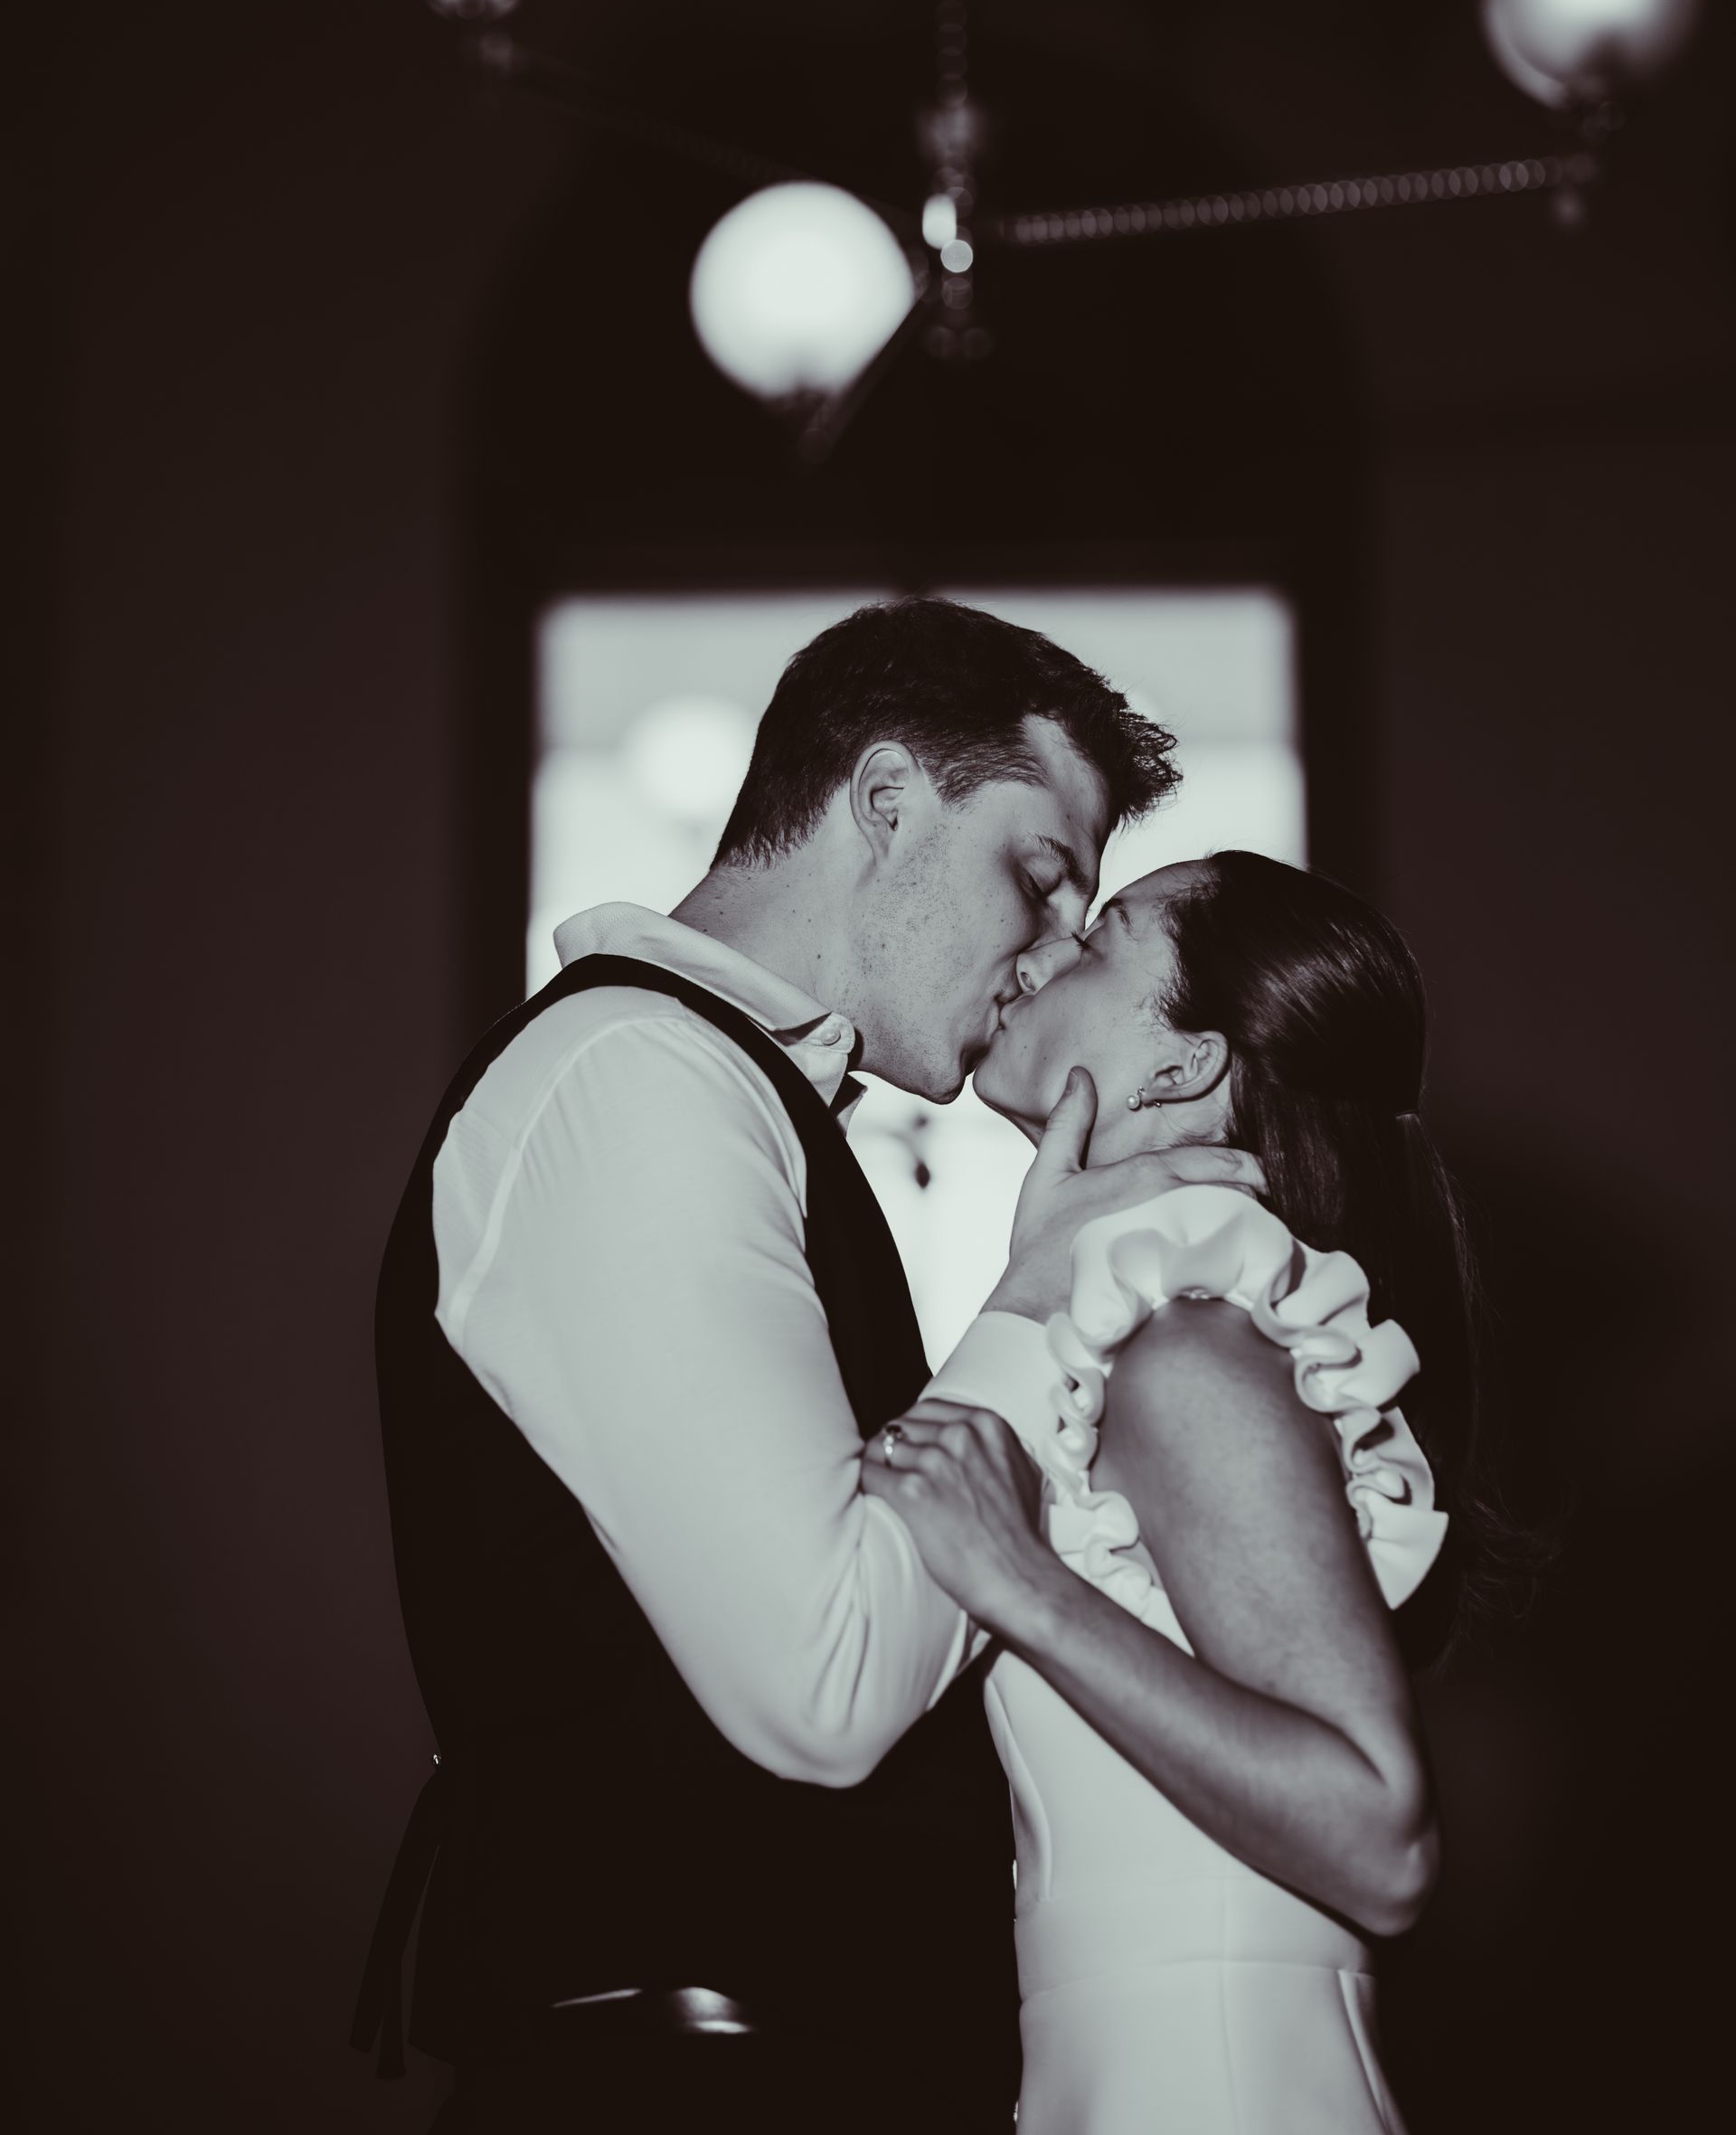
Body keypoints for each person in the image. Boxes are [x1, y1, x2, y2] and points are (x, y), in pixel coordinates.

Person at [350, 599, 1261, 2133]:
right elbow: (828, 1684)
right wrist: (1043, 1292)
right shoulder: (633, 1081)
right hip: (687, 2080)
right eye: (1036, 881)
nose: (1045, 962)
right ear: (886, 801)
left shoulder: (729, 1098)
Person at [860, 848, 1493, 2134]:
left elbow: (1379, 1836)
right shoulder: (1156, 1337)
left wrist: (1024, 1585)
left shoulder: (1189, 1350)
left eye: (1099, 941)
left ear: (1185, 1066)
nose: (1038, 954)